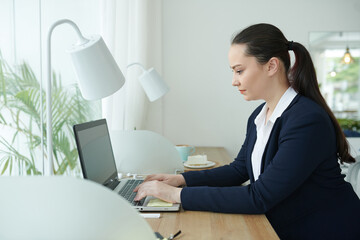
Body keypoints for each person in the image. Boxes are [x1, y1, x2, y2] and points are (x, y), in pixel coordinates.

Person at [134, 23, 360, 239]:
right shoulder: (259, 116)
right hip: (285, 225)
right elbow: (239, 169)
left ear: (271, 66)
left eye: (239, 71)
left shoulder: (306, 121)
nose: (234, 81)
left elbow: (260, 197)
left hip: (324, 230)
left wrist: (176, 196)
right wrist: (181, 180)